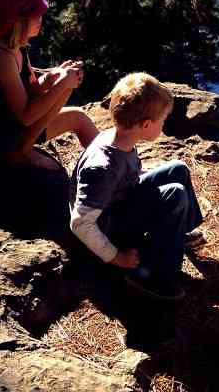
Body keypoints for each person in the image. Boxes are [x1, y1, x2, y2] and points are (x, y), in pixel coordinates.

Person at [0, 0, 99, 226]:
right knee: (65, 95)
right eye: (36, 15)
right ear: (18, 22)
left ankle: (114, 167)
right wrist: (62, 84)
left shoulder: (17, 47)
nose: (41, 19)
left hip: (12, 125)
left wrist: (51, 78)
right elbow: (26, 115)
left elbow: (32, 90)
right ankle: (20, 153)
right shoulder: (0, 57)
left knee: (79, 118)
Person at [69, 72, 204, 300]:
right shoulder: (103, 166)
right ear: (146, 124)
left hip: (122, 202)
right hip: (110, 228)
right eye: (163, 121)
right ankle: (156, 275)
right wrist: (116, 256)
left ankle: (178, 232)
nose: (163, 124)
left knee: (178, 169)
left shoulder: (121, 137)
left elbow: (127, 178)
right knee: (175, 194)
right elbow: (80, 223)